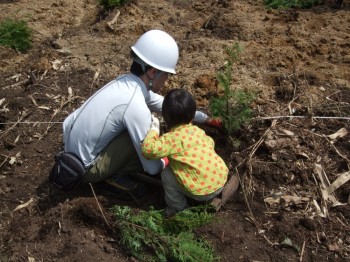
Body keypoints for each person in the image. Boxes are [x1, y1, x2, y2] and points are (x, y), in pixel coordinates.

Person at [62, 29, 221, 196]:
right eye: (166, 74)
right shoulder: (135, 105)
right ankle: (113, 178)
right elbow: (152, 168)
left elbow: (169, 106)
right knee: (149, 138)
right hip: (86, 170)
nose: (167, 79)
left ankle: (108, 164)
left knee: (130, 128)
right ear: (153, 72)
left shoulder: (124, 84)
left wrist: (206, 120)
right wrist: (171, 158)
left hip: (69, 152)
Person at [141, 89, 228, 216]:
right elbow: (210, 143)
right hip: (220, 181)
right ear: (192, 115)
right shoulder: (198, 131)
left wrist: (154, 130)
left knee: (166, 174)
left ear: (165, 116)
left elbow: (148, 150)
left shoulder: (170, 139)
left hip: (201, 192)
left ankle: (178, 209)